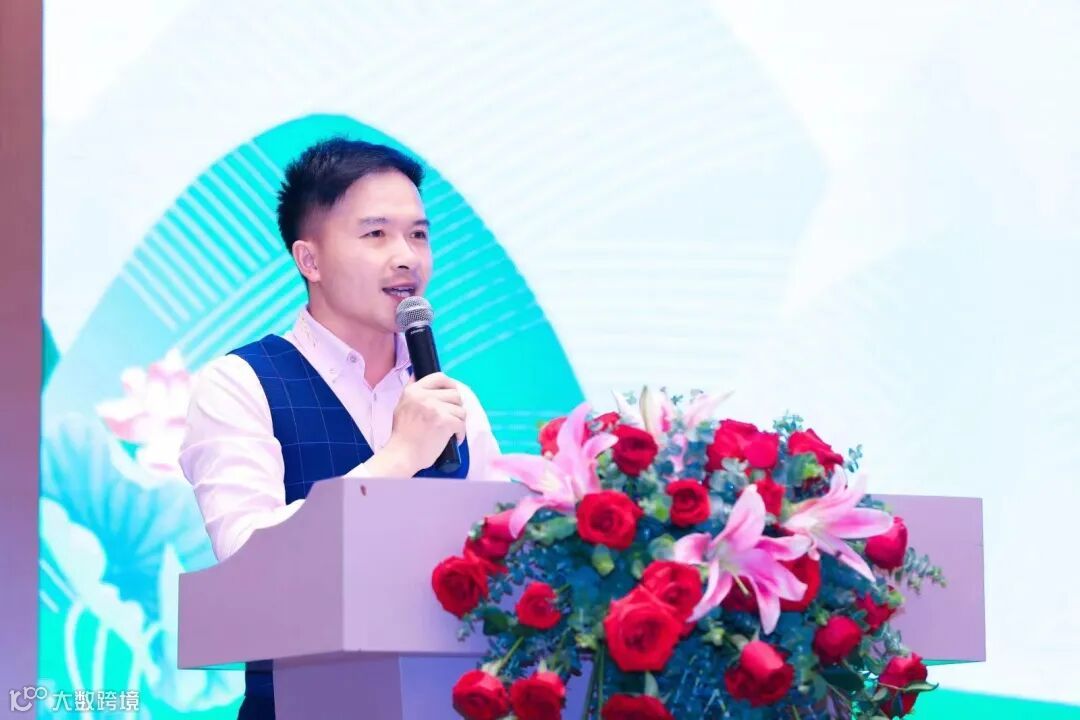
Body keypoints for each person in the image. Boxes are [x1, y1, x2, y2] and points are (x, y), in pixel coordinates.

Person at [179, 138, 502, 720]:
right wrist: (398, 457)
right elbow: (247, 560)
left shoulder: (453, 402)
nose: (406, 257)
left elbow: (500, 555)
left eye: (418, 235)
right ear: (311, 261)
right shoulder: (241, 384)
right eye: (376, 234)